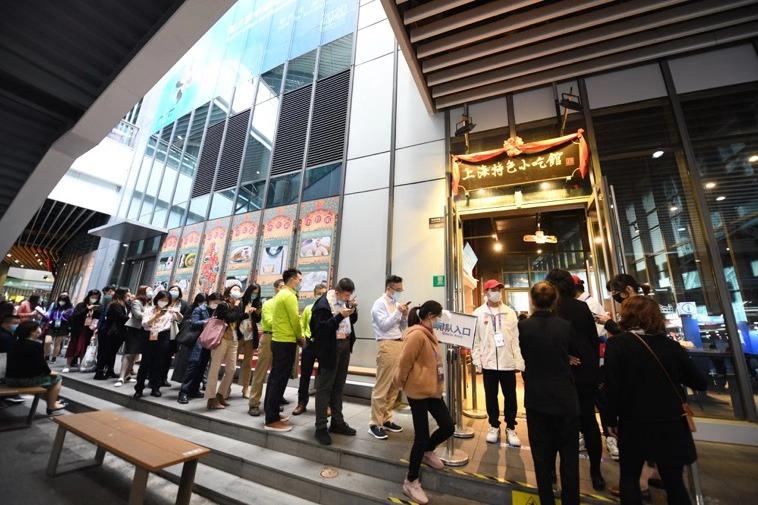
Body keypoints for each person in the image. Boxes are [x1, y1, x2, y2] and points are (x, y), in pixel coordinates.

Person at [605, 296, 707, 505]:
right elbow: (699, 381)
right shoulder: (671, 346)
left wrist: (610, 420)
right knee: (674, 483)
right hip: (671, 422)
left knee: (629, 477)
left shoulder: (617, 344)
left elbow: (612, 386)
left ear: (626, 316)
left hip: (634, 422)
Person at [519, 282, 580, 505]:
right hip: (565, 397)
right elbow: (574, 353)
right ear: (555, 300)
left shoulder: (524, 327)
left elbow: (524, 354)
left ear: (532, 301)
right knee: (569, 457)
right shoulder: (565, 326)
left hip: (537, 398)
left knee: (541, 458)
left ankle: (547, 500)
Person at [545, 269, 605, 490]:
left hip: (559, 375)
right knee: (589, 423)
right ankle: (596, 473)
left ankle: (552, 472)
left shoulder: (551, 308)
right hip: (585, 374)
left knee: (554, 425)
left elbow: (549, 342)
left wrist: (565, 356)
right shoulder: (582, 307)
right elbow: (592, 340)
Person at [394, 300, 453, 505]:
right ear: (429, 316)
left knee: (448, 426)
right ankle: (411, 481)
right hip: (418, 391)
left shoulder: (429, 333)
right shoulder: (417, 335)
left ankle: (428, 451)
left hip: (432, 390)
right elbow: (404, 362)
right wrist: (399, 383)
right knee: (421, 436)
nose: (439, 320)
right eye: (437, 317)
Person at [472, 278, 524, 446]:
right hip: (488, 363)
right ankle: (493, 425)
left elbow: (516, 339)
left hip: (507, 362)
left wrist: (519, 361)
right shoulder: (478, 313)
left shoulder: (510, 312)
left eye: (498, 289)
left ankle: (511, 427)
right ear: (486, 292)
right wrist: (477, 361)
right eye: (493, 290)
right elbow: (475, 340)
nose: (496, 292)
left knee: (511, 397)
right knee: (490, 396)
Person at [573, 275, 618, 461]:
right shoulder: (581, 304)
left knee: (600, 400)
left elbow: (596, 334)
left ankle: (610, 438)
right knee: (587, 402)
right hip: (586, 360)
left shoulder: (589, 304)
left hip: (595, 361)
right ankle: (588, 435)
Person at [310, 278, 359, 444]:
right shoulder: (323, 304)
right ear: (337, 292)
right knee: (324, 388)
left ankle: (337, 422)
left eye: (349, 296)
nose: (347, 298)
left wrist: (352, 309)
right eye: (345, 296)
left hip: (345, 344)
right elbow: (320, 330)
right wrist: (339, 316)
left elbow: (352, 321)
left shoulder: (344, 301)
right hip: (330, 348)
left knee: (339, 386)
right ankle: (320, 427)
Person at [368, 275, 409, 438]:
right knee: (382, 386)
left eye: (401, 289)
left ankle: (386, 419)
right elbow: (384, 326)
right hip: (387, 344)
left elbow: (402, 327)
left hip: (399, 343)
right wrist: (398, 312)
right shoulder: (379, 303)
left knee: (394, 385)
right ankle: (374, 423)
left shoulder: (396, 304)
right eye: (398, 289)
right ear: (389, 288)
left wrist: (404, 315)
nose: (400, 292)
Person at [263, 269, 303, 431]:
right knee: (279, 380)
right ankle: (271, 420)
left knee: (275, 379)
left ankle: (271, 412)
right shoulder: (289, 295)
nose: (300, 282)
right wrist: (300, 336)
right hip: (285, 341)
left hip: (278, 340)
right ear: (292, 279)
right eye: (299, 279)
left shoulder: (281, 294)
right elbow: (294, 319)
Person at [5, 321, 67, 415]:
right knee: (57, 378)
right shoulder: (36, 345)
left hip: (9, 379)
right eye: (38, 328)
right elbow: (42, 365)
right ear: (32, 332)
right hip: (23, 381)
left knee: (47, 379)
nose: (40, 329)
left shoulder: (14, 343)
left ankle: (51, 403)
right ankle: (51, 406)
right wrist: (50, 372)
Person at [248, 279, 285, 417]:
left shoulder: (286, 303)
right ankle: (253, 403)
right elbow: (269, 322)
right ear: (275, 288)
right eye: (281, 287)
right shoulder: (269, 303)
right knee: (260, 372)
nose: (283, 289)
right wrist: (284, 323)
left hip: (282, 338)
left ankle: (272, 403)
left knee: (277, 374)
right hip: (269, 337)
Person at [134, 291, 182, 398]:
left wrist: (177, 312)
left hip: (163, 337)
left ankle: (155, 388)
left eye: (166, 300)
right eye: (161, 299)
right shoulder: (149, 310)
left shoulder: (169, 311)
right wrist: (157, 316)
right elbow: (145, 324)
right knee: (145, 363)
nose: (163, 302)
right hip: (149, 335)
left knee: (159, 364)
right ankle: (139, 388)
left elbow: (180, 319)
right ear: (157, 299)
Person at [205, 287, 244, 409]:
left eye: (239, 289)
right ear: (229, 292)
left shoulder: (238, 305)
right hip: (221, 339)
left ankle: (220, 394)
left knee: (231, 369)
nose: (238, 291)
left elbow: (238, 318)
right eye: (235, 289)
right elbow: (229, 318)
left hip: (233, 339)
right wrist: (236, 307)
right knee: (214, 368)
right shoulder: (223, 305)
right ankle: (211, 398)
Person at [178, 292, 220, 404]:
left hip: (209, 342)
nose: (215, 304)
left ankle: (194, 389)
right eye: (214, 302)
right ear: (209, 300)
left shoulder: (217, 311)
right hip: (198, 341)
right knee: (193, 366)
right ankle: (184, 392)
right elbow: (193, 323)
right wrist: (207, 321)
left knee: (202, 367)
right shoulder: (200, 309)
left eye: (218, 302)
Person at [293, 283, 327, 415]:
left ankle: (324, 405)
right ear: (314, 294)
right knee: (305, 375)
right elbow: (302, 325)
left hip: (323, 345)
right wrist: (302, 338)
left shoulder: (327, 308)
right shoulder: (308, 308)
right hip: (309, 344)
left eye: (323, 294)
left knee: (324, 376)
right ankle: (301, 403)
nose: (321, 296)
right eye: (319, 293)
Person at [94, 287, 130, 380]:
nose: (129, 294)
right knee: (106, 351)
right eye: (127, 293)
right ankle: (99, 371)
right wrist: (130, 318)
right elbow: (120, 317)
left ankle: (110, 370)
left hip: (119, 332)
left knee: (112, 352)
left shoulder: (125, 304)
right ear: (122, 294)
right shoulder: (115, 304)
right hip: (111, 332)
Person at [63, 290, 102, 372]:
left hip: (88, 330)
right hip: (77, 329)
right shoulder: (81, 305)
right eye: (92, 297)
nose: (94, 299)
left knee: (84, 347)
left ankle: (81, 364)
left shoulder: (98, 307)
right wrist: (87, 309)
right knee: (72, 346)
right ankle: (68, 365)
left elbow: (98, 318)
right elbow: (75, 316)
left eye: (96, 297)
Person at [119, 285, 150, 387]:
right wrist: (151, 315)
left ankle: (127, 374)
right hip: (134, 330)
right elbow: (138, 315)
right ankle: (121, 376)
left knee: (135, 354)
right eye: (148, 291)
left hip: (142, 330)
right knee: (129, 353)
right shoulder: (136, 302)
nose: (150, 292)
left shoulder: (148, 303)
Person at [237, 283, 262, 399]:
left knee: (248, 363)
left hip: (251, 335)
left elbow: (257, 320)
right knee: (232, 362)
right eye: (253, 292)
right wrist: (246, 312)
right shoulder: (240, 302)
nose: (254, 295)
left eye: (256, 293)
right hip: (238, 334)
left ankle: (245, 388)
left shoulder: (258, 303)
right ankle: (226, 388)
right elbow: (237, 317)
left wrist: (257, 313)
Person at [164, 284, 191, 385]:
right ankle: (153, 377)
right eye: (172, 289)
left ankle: (164, 377)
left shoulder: (183, 304)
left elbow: (186, 319)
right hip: (161, 331)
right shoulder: (164, 300)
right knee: (159, 355)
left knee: (168, 356)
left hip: (175, 332)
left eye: (176, 290)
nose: (174, 292)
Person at [45, 294, 73, 363]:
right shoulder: (56, 307)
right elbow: (50, 316)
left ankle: (54, 358)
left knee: (57, 343)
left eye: (63, 300)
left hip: (63, 326)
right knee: (47, 341)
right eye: (60, 300)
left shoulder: (70, 309)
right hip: (53, 324)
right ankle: (47, 355)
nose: (61, 302)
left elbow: (71, 319)